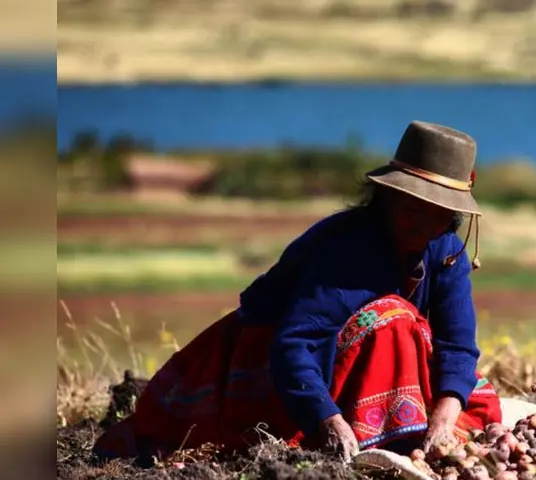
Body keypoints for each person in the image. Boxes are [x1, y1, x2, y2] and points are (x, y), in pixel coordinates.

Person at [93, 121, 504, 462]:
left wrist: (446, 414)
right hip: (272, 360)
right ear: (388, 197)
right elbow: (294, 344)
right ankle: (381, 430)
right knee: (394, 320)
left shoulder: (447, 250)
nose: (423, 225)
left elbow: (456, 342)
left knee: (473, 396)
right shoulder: (349, 247)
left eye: (438, 214)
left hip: (350, 358)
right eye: (413, 209)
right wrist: (328, 420)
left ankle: (400, 426)